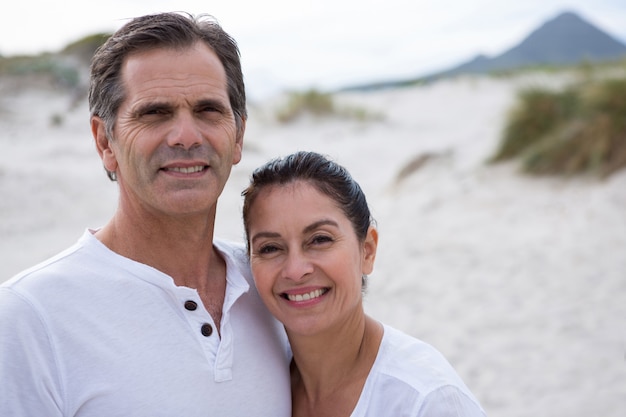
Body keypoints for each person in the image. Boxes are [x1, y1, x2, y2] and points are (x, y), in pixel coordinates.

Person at [0, 12, 291, 416]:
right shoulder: (31, 318)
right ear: (105, 141)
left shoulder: (278, 289)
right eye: (155, 113)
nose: (186, 136)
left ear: (238, 136)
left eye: (208, 111)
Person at [241, 151, 487, 417]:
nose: (296, 270)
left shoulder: (426, 400)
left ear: (367, 251)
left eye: (320, 239)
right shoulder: (251, 382)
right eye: (270, 248)